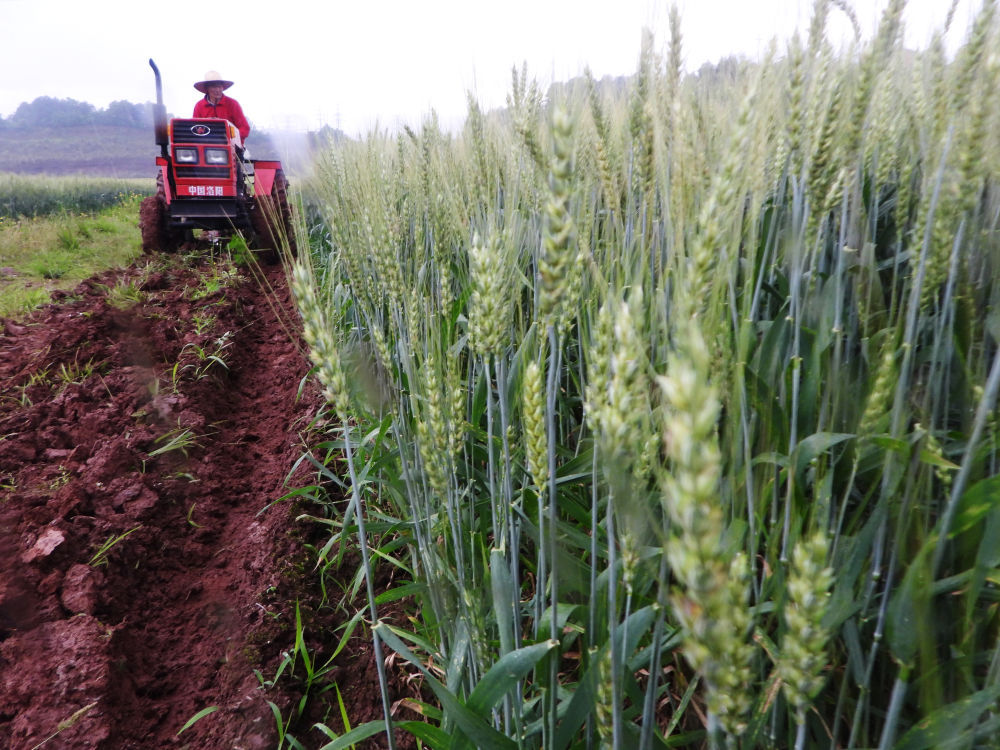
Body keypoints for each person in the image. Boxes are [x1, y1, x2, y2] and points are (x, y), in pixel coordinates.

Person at [192, 70, 250, 144]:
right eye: (214, 87)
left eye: (220, 87)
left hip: (232, 147)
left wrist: (231, 137)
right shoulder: (199, 106)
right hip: (207, 146)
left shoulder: (232, 104)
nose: (218, 90)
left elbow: (244, 128)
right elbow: (195, 128)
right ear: (207, 88)